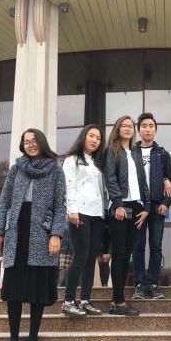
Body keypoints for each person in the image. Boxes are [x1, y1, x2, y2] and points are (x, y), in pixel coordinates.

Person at [0, 128, 66, 341]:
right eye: (26, 141)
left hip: (41, 234)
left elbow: (61, 204)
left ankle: (32, 339)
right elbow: (4, 202)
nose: (31, 144)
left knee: (36, 290)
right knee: (14, 290)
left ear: (42, 143)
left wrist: (56, 234)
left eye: (34, 141)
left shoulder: (55, 169)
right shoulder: (16, 169)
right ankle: (13, 339)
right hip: (17, 232)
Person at [103, 116, 150, 315]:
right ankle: (119, 302)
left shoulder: (136, 153)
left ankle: (117, 300)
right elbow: (110, 179)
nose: (128, 129)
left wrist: (146, 206)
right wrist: (118, 204)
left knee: (126, 255)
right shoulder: (112, 151)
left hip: (136, 207)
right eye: (124, 125)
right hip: (120, 207)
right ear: (117, 128)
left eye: (131, 126)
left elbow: (143, 181)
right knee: (119, 254)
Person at [61, 125, 106, 318]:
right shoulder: (72, 160)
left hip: (97, 215)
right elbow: (68, 185)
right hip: (80, 213)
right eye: (91, 136)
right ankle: (68, 302)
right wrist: (72, 210)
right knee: (80, 256)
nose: (95, 140)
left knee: (90, 258)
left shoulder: (96, 163)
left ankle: (85, 300)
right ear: (83, 137)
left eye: (98, 138)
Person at [132, 112, 171, 300]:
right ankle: (140, 284)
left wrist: (166, 203)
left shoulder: (162, 154)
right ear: (138, 130)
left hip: (158, 207)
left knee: (156, 247)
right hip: (138, 207)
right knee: (138, 246)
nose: (147, 129)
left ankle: (153, 284)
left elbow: (170, 180)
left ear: (155, 130)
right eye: (144, 126)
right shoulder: (132, 153)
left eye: (151, 126)